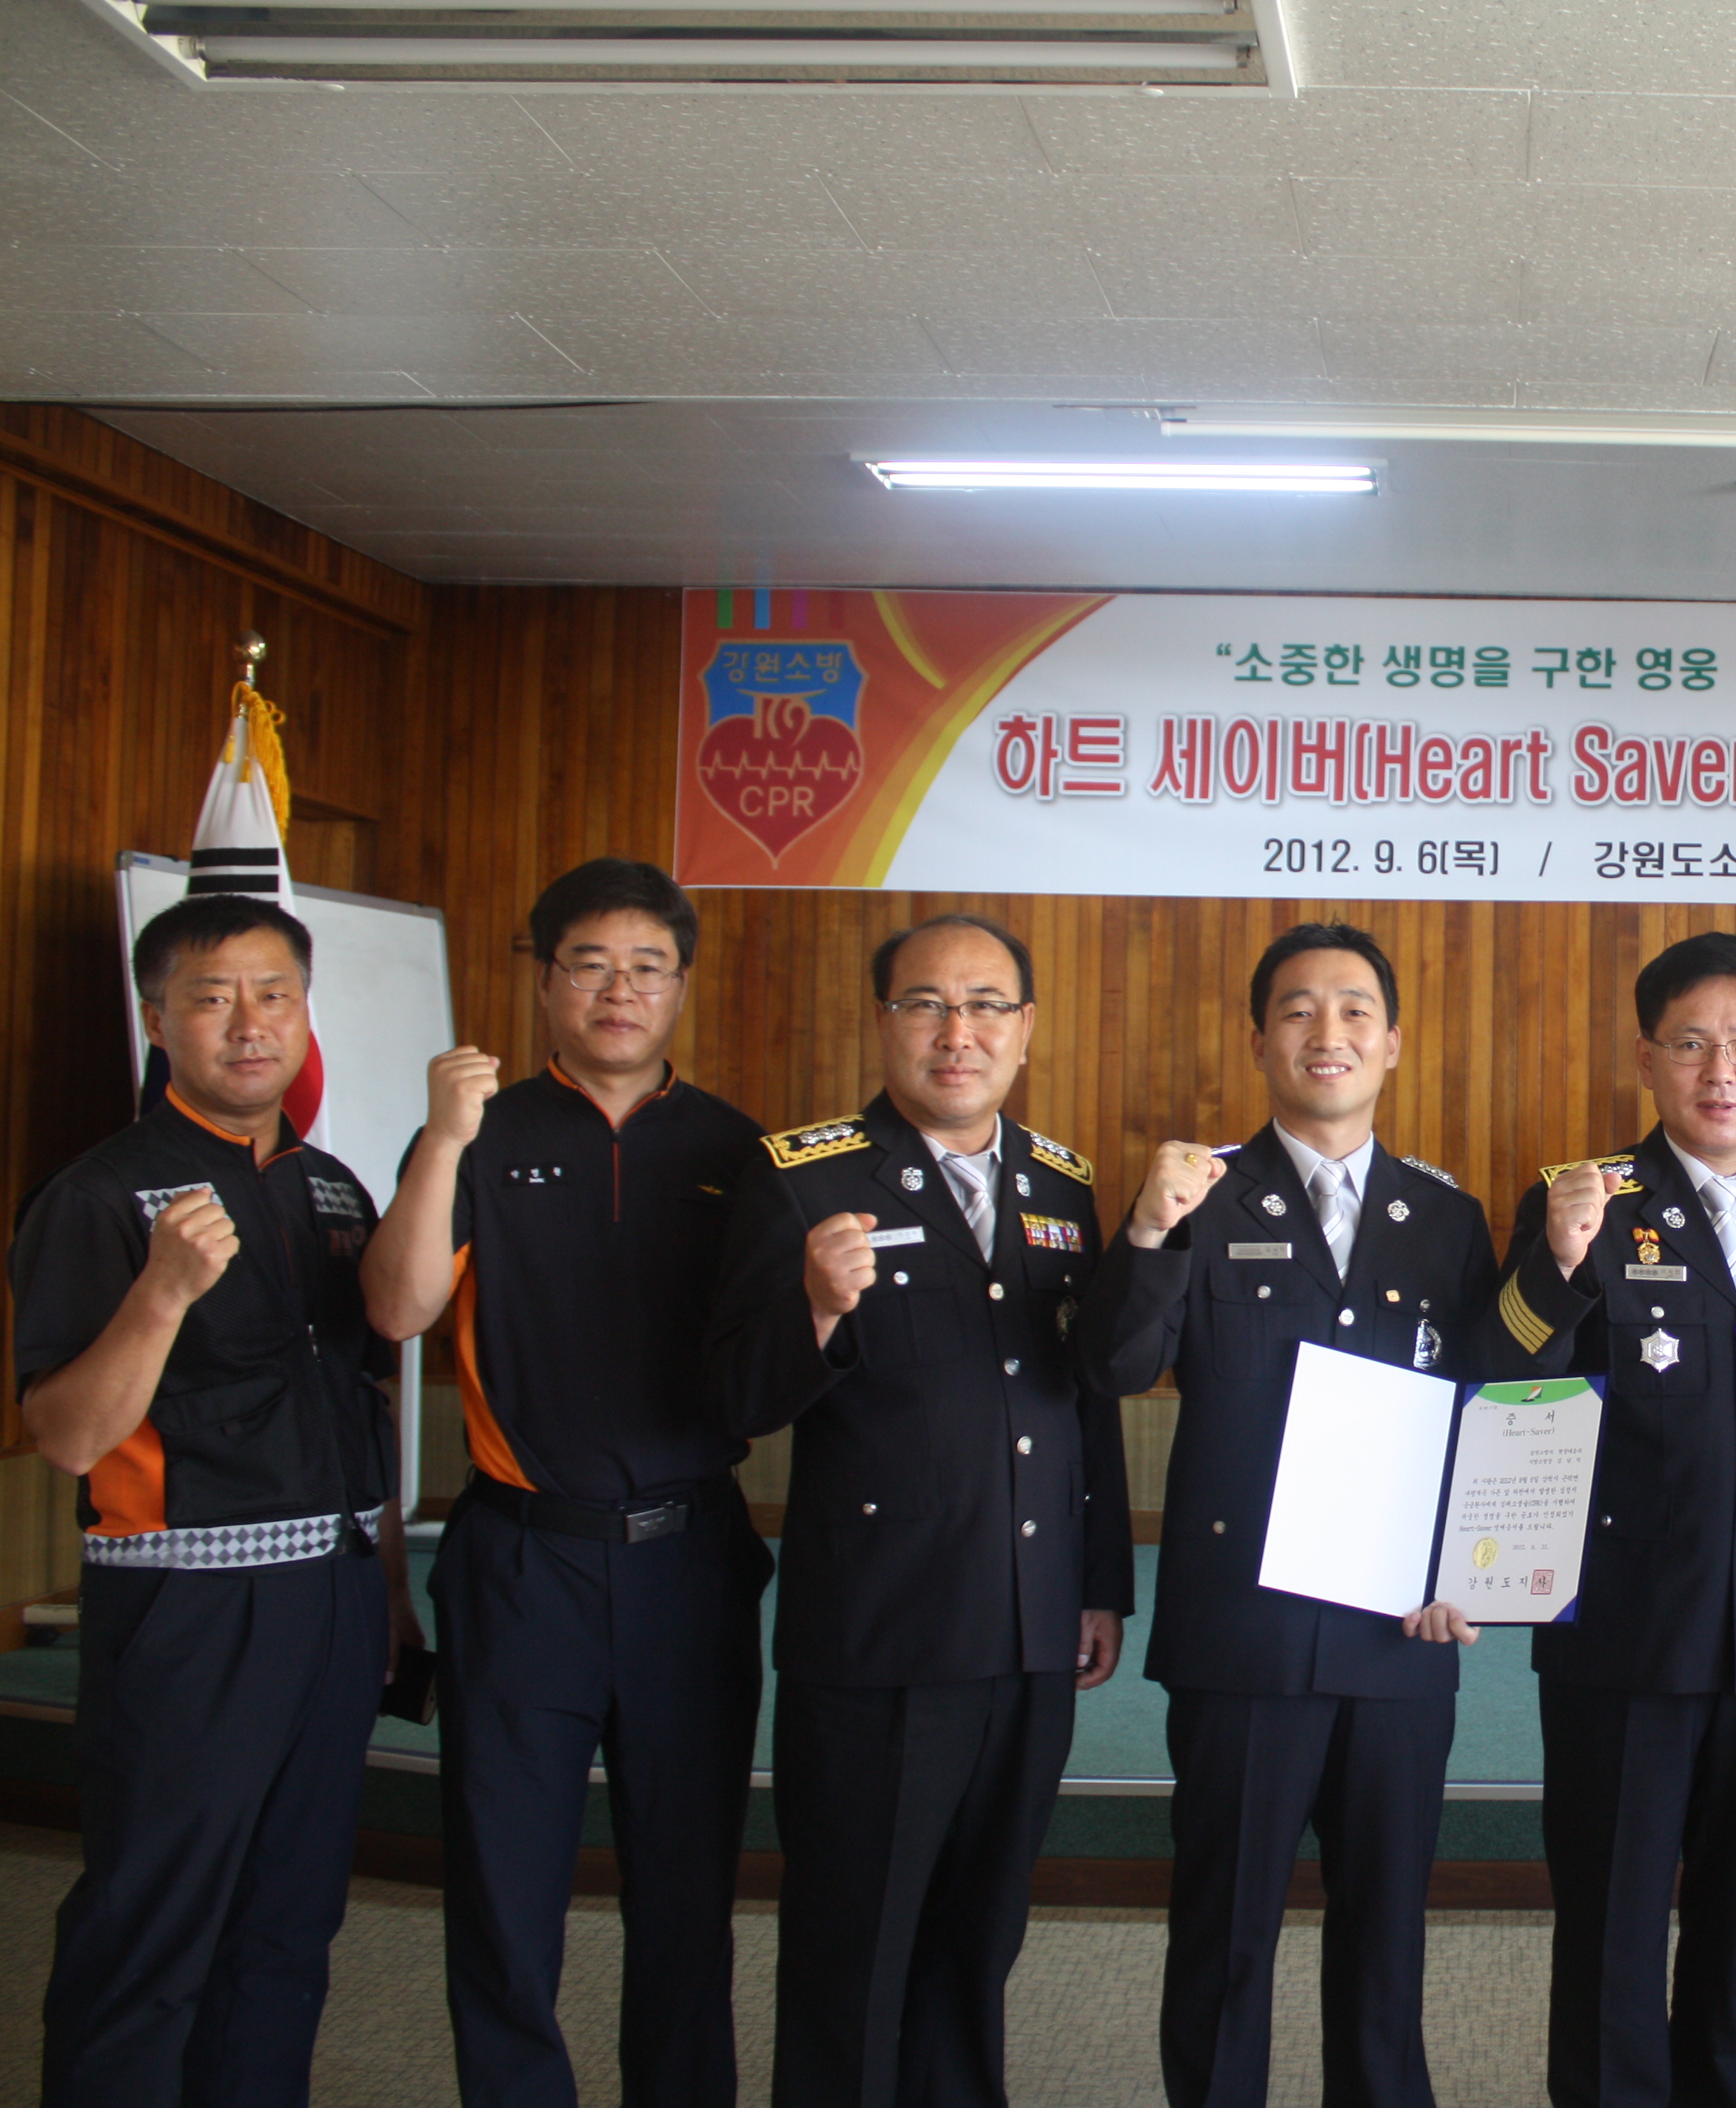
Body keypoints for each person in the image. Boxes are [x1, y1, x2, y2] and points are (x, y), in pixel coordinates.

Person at [360, 858, 773, 2108]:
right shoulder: (480, 1137)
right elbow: (397, 1308)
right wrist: (444, 1138)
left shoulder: (739, 1149)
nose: (619, 990)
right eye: (590, 965)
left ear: (681, 987)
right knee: (503, 1886)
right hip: (522, 1560)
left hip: (690, 1562)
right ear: (545, 984)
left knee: (687, 1893)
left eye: (648, 967)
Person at [706, 912, 1133, 2108]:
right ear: (885, 1021)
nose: (959, 1033)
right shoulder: (804, 1174)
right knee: (857, 1944)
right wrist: (814, 1310)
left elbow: (1085, 1394)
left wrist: (1100, 1584)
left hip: (1031, 1630)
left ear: (1026, 1029)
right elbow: (734, 1400)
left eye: (987, 1006)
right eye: (927, 1005)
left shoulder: (1061, 1183)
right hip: (882, 1638)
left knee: (979, 1937)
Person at [1082, 922, 1498, 2108]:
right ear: (1260, 1038)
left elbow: (1484, 1412)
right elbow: (1115, 1366)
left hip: (1400, 1636)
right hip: (1245, 1637)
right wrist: (1149, 1230)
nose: (1329, 1032)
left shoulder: (1446, 1217)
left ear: (1393, 1043)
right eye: (1299, 1009)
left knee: (1387, 1937)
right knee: (1225, 1934)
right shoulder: (1199, 1193)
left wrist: (1472, 1570)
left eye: (1356, 1009)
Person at [1478, 930, 1736, 2108]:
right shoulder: (1583, 1200)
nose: (1723, 1071)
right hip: (1623, 1630)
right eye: (1693, 1044)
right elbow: (1501, 1381)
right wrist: (1557, 1263)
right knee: (1611, 1924)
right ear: (1648, 1058)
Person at [11, 895, 413, 2108]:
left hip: (334, 1597)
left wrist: (386, 1593)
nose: (250, 1024)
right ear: (157, 1020)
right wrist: (163, 1294)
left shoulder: (332, 1188)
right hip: (189, 1610)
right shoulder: (100, 1194)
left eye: (274, 995)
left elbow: (364, 1402)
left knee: (290, 1919)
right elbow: (66, 1436)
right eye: (212, 997)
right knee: (153, 1919)